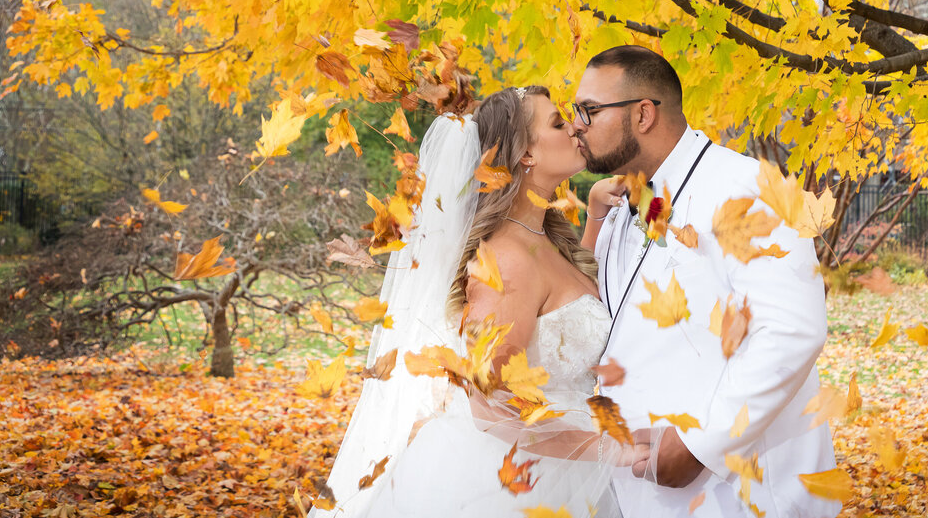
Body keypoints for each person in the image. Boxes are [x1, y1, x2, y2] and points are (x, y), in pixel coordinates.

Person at [310, 86, 645, 518]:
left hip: (562, 461)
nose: (576, 126)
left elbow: (563, 301)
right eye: (558, 123)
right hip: (521, 478)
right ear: (525, 154)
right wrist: (604, 449)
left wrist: (596, 219)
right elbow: (491, 409)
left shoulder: (543, 237)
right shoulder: (504, 262)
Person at [573, 46, 840, 518]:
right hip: (642, 493)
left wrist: (699, 446)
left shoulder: (748, 188)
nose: (578, 124)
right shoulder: (626, 207)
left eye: (589, 110)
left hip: (742, 494)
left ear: (643, 115)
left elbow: (792, 329)